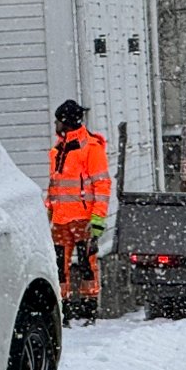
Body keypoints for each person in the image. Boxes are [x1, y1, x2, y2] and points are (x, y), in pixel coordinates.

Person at [47, 99, 111, 323]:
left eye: (58, 121)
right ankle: (63, 310)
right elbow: (54, 186)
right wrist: (49, 213)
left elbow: (102, 186)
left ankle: (88, 310)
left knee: (87, 265)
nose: (55, 125)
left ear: (66, 122)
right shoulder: (57, 151)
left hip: (83, 219)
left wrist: (96, 220)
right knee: (58, 266)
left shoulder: (90, 148)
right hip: (60, 219)